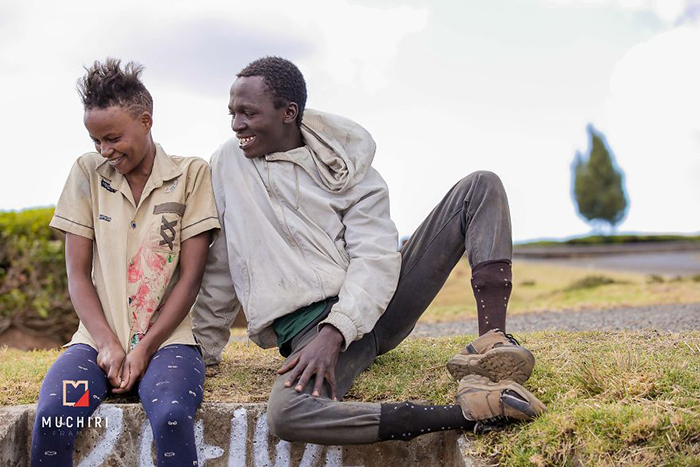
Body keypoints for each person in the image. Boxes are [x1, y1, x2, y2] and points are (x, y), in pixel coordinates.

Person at [192, 56, 545, 445]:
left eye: (247, 113)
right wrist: (201, 352)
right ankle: (472, 409)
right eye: (232, 113)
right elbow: (222, 264)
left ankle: (491, 344)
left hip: (373, 308)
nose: (236, 125)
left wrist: (335, 332)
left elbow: (375, 257)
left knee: (480, 186)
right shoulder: (227, 164)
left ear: (288, 113)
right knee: (288, 414)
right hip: (307, 328)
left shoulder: (345, 162)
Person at [31, 59, 220, 466]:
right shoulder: (87, 173)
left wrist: (144, 347)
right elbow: (77, 275)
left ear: (146, 121)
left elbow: (190, 277)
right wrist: (107, 344)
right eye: (96, 140)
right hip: (94, 349)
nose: (105, 150)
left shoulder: (191, 175)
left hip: (169, 346)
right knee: (54, 418)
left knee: (170, 416)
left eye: (113, 137)